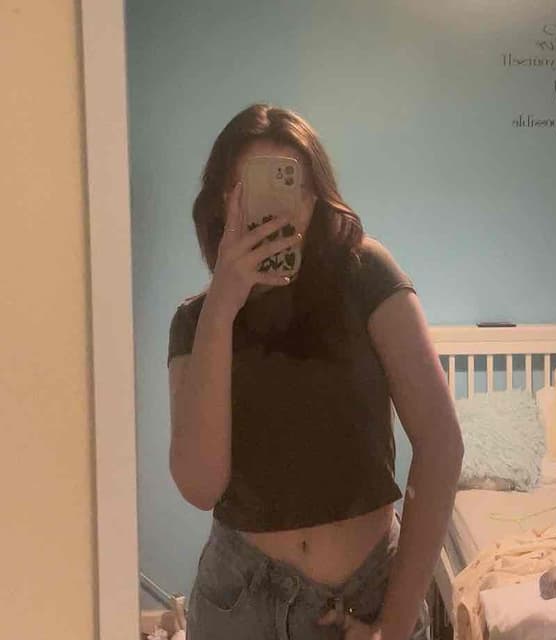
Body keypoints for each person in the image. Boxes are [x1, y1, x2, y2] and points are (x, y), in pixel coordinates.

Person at [167, 103, 464, 640]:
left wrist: (395, 624)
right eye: (249, 189)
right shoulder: (196, 321)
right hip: (240, 603)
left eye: (291, 184)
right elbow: (200, 484)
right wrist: (222, 307)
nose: (274, 210)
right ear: (222, 203)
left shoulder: (366, 274)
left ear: (315, 198)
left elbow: (441, 445)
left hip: (370, 595)